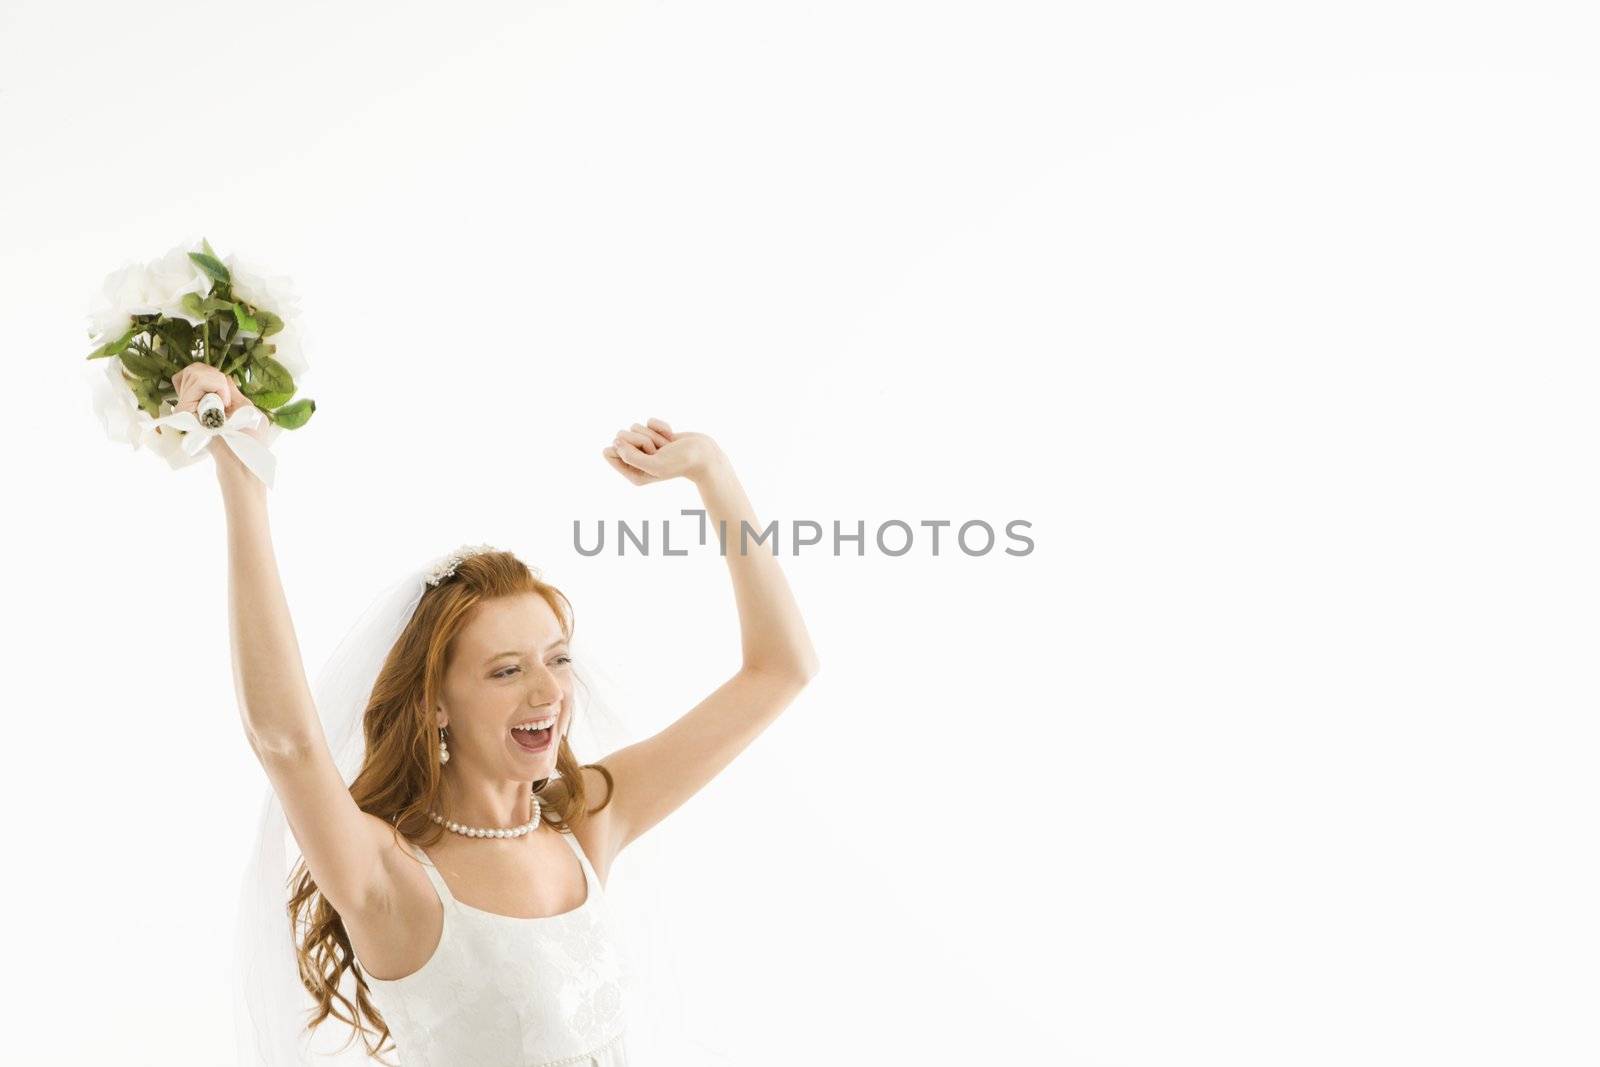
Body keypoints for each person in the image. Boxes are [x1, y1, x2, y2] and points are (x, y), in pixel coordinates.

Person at [173, 363, 821, 1065]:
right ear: (437, 705)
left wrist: (714, 474)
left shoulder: (585, 823)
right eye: (507, 670)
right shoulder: (394, 879)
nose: (547, 691)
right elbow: (287, 739)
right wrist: (243, 483)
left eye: (557, 657)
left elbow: (781, 669)